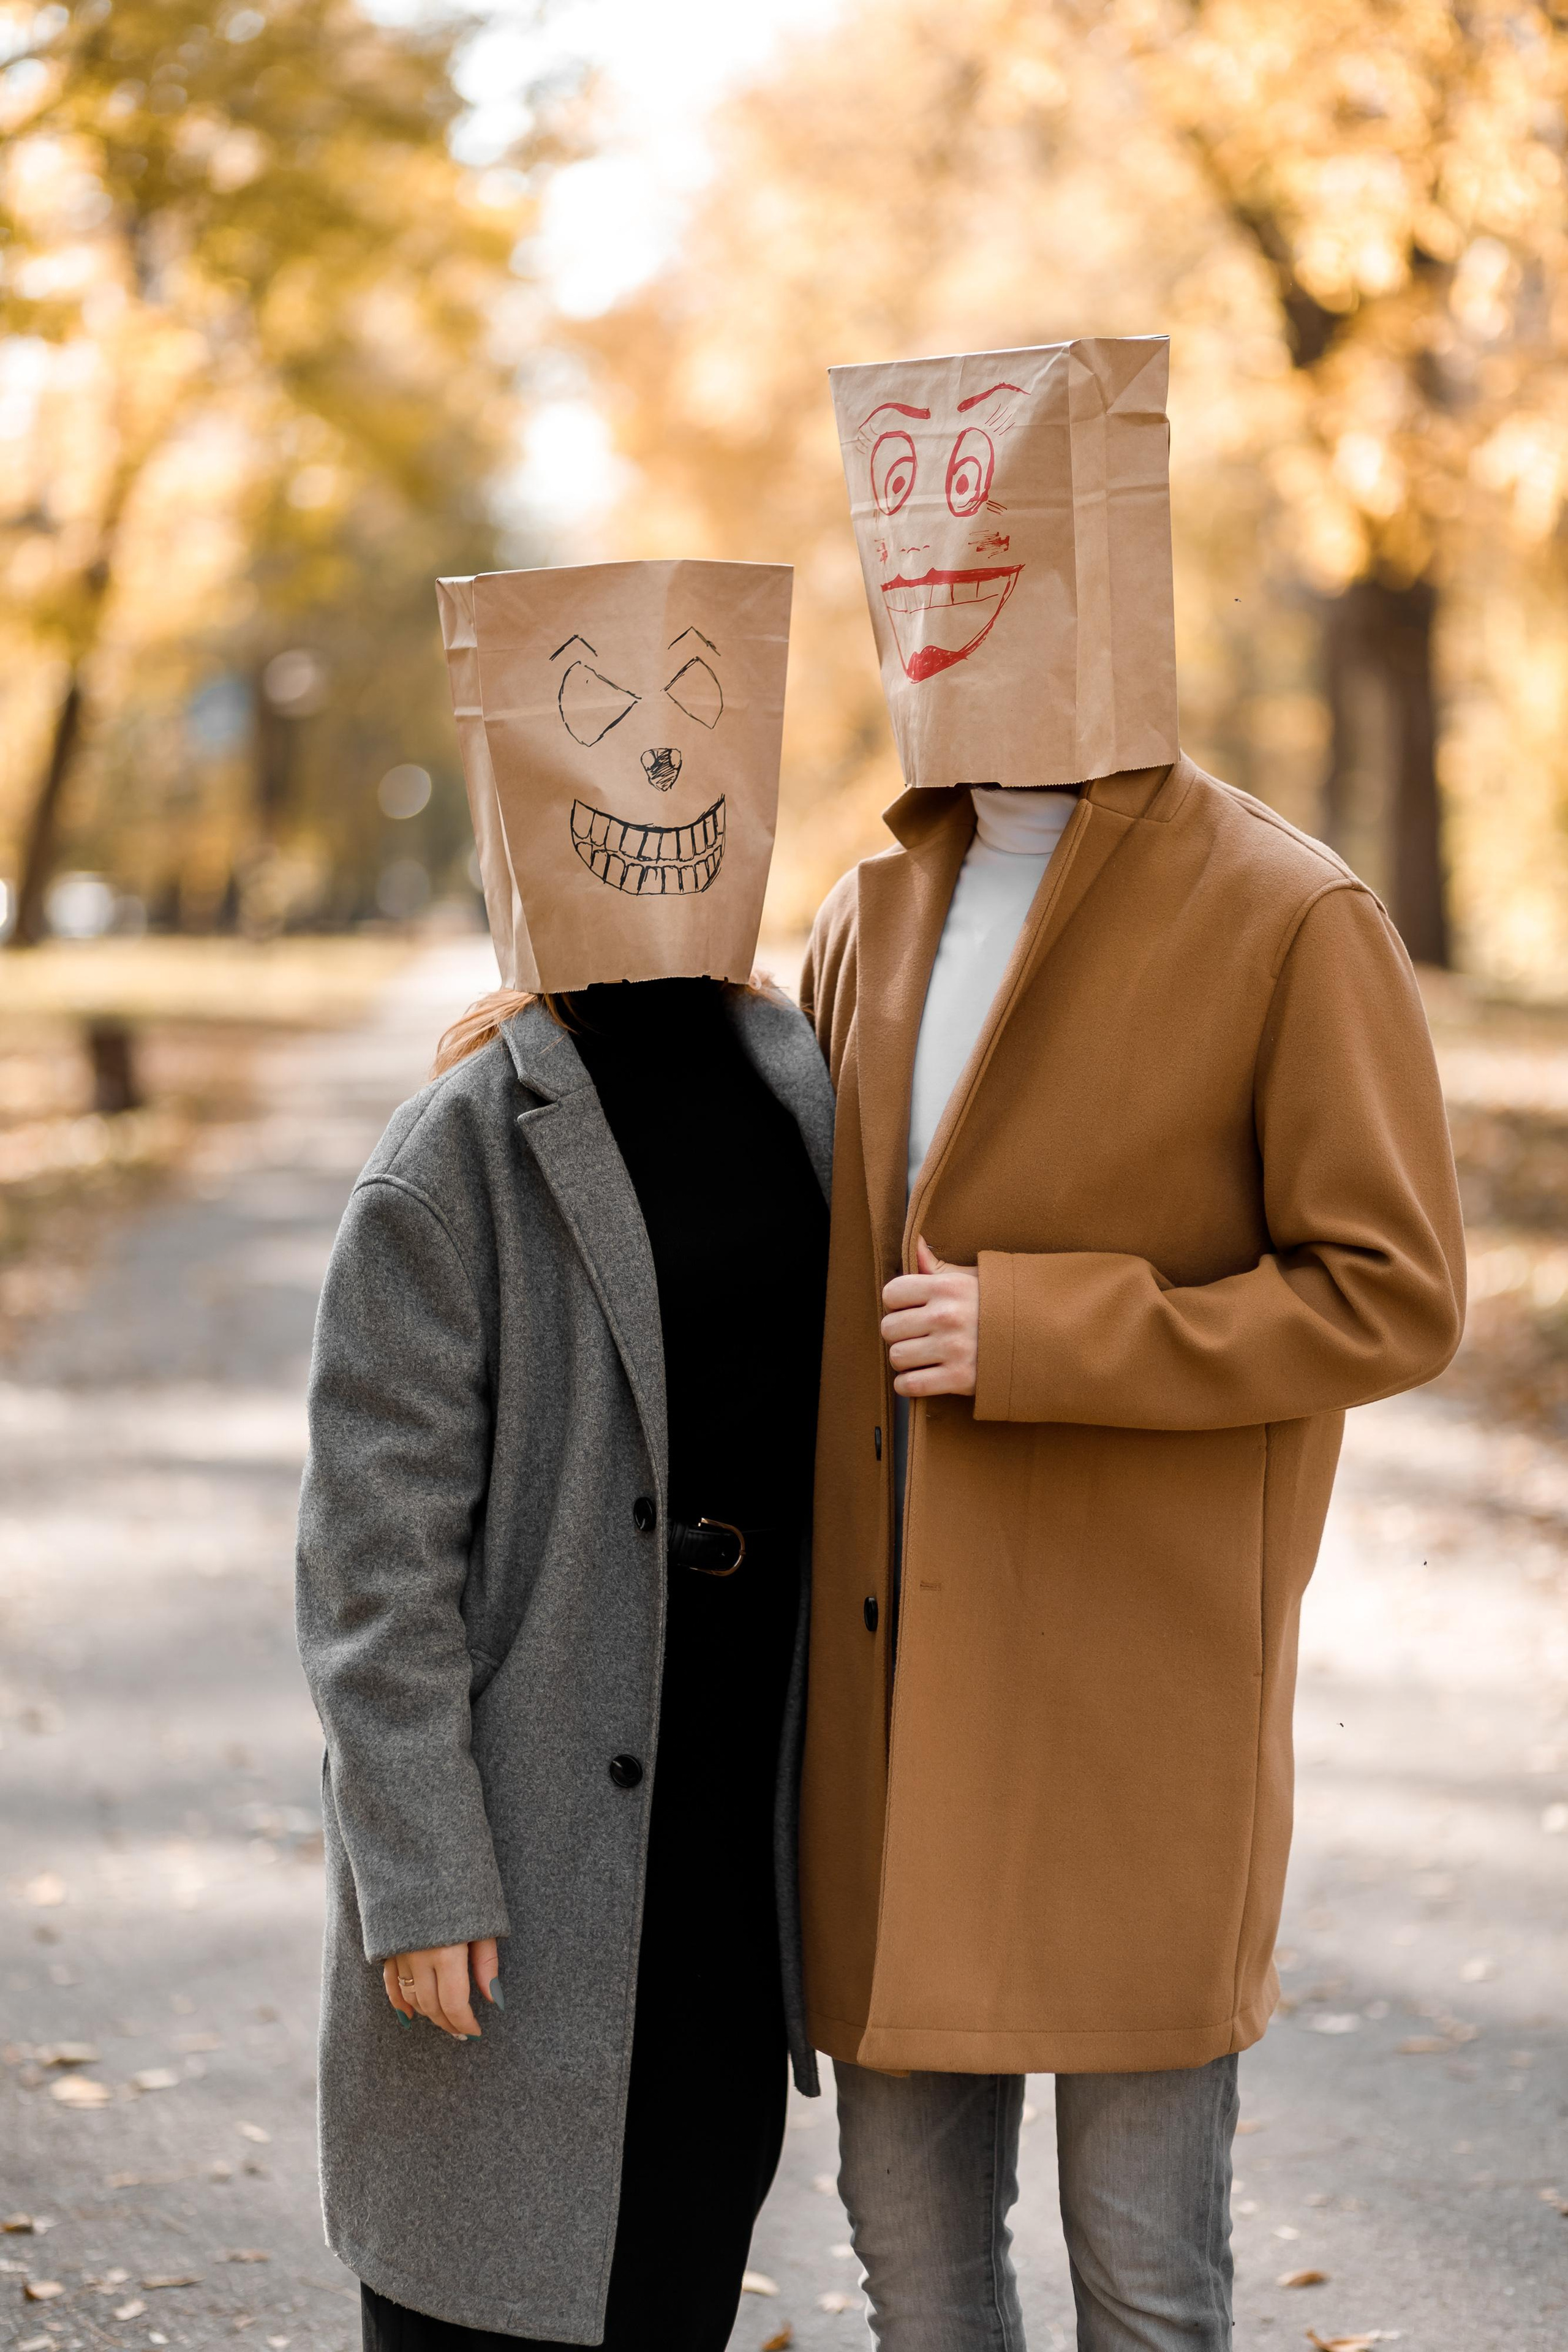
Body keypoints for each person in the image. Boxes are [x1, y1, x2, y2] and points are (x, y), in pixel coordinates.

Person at [798, 339, 1466, 2348]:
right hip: (892, 1725)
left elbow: (1395, 1292)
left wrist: (1044, 1327)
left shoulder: (1289, 914)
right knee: (917, 2282)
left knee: (1147, 2287)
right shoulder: (867, 906)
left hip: (1132, 1706)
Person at [296, 559, 831, 2350]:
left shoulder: (816, 1087)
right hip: (523, 1854)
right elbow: (375, 1562)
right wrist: (420, 1868)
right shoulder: (455, 1154)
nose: (650, 774)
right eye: (596, 731)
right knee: (478, 2301)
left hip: (728, 1850)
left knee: (670, 2280)